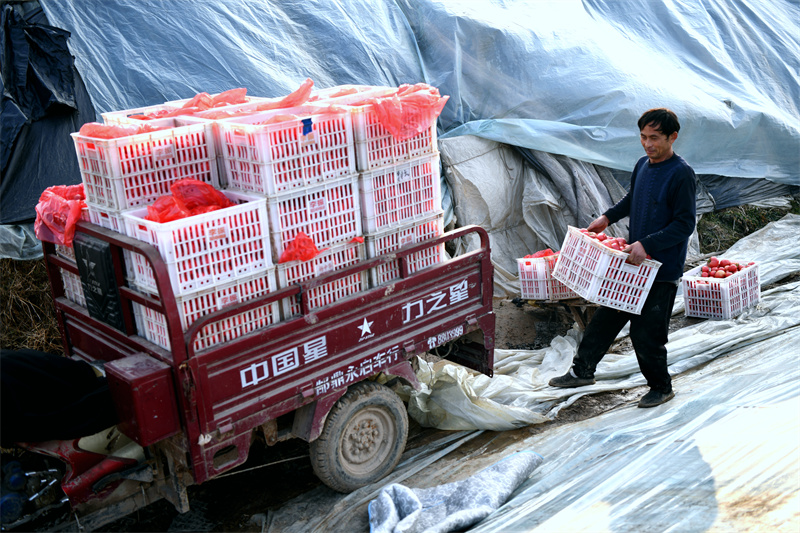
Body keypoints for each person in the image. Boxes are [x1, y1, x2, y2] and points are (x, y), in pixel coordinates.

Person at [549, 108, 697, 408]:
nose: (647, 144)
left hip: (661, 268)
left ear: (673, 137)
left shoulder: (681, 174)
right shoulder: (643, 164)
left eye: (655, 138)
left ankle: (661, 387)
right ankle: (582, 372)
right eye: (643, 137)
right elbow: (632, 198)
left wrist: (647, 243)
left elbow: (684, 224)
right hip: (633, 263)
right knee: (604, 319)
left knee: (647, 333)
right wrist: (607, 217)